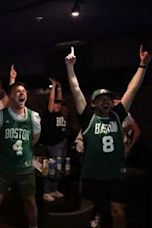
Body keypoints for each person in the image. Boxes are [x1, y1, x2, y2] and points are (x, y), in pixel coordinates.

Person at [65, 45, 151, 228]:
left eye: (109, 99)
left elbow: (132, 89)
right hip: (92, 176)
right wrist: (70, 67)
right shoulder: (88, 117)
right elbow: (75, 89)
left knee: (118, 214)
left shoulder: (117, 115)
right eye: (101, 99)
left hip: (115, 176)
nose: (106, 101)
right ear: (93, 103)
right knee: (86, 214)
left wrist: (143, 65)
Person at [0, 81, 41, 228]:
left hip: (24, 168)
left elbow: (34, 139)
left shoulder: (33, 116)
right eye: (18, 92)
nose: (22, 94)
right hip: (3, 167)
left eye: (24, 91)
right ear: (10, 97)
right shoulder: (0, 116)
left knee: (30, 202)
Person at [40, 78, 67, 201]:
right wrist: (54, 86)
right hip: (53, 144)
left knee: (58, 168)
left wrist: (60, 88)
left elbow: (59, 100)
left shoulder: (60, 113)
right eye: (55, 104)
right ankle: (47, 191)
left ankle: (54, 189)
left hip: (62, 143)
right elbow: (52, 100)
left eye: (59, 104)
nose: (58, 105)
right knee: (50, 168)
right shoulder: (49, 113)